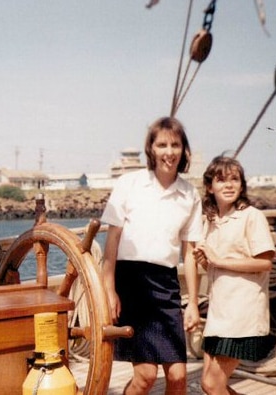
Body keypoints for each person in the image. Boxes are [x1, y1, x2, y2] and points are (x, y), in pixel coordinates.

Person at [101, 116, 203, 394]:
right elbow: (112, 241)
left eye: (175, 145)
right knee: (145, 377)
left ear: (184, 150)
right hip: (131, 283)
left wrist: (192, 303)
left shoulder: (189, 194)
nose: (169, 152)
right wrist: (109, 290)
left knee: (179, 376)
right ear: (151, 149)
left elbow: (190, 252)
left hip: (166, 285)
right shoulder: (129, 184)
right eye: (162, 145)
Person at [194, 156, 276, 395]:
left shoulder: (252, 216)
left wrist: (218, 260)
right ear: (210, 187)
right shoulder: (211, 222)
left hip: (242, 317)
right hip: (219, 315)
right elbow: (217, 264)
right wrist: (206, 262)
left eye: (234, 179)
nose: (228, 185)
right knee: (209, 384)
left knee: (212, 384)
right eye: (221, 180)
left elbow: (264, 263)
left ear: (241, 186)